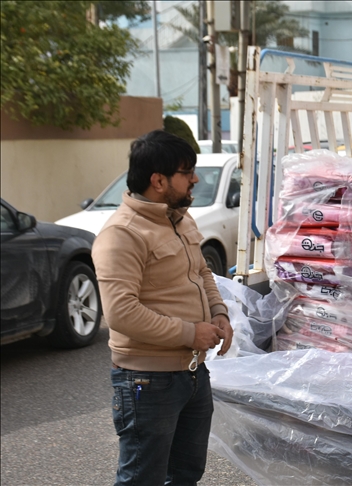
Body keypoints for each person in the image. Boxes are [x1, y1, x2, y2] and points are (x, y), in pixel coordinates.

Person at [93, 130, 234, 485]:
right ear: (158, 181)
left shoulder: (181, 219)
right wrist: (190, 333)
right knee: (142, 478)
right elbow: (121, 313)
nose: (195, 180)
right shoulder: (122, 234)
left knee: (186, 474)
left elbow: (201, 272)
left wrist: (219, 312)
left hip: (193, 373)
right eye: (187, 173)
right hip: (147, 381)